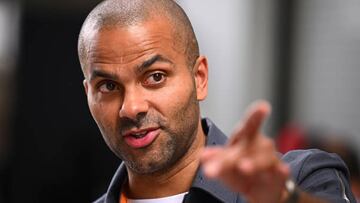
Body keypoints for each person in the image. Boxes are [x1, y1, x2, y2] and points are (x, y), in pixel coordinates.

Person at [77, 0, 355, 202]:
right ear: (88, 94)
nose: (131, 107)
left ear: (199, 79)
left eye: (156, 77)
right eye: (109, 86)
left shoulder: (300, 178)